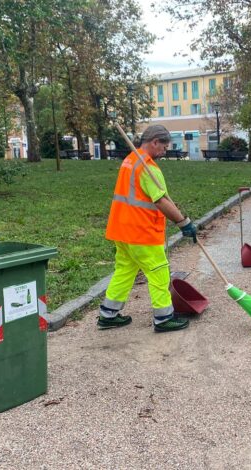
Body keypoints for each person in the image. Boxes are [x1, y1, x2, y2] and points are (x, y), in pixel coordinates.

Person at [98, 125, 197, 332]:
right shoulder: (148, 167)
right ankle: (163, 318)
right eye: (164, 146)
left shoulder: (130, 161)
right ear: (154, 142)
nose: (165, 151)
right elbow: (160, 201)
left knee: (124, 271)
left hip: (122, 230)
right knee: (159, 273)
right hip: (141, 231)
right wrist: (183, 223)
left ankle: (108, 314)